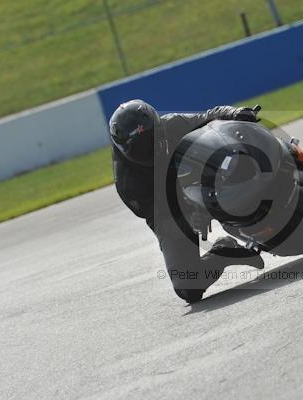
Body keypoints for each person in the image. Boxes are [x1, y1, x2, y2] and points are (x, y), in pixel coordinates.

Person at [108, 99, 265, 303]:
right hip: (169, 209)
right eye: (139, 147)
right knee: (188, 288)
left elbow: (210, 114)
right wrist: (190, 215)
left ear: (159, 127)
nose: (148, 149)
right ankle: (225, 251)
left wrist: (235, 113)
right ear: (123, 150)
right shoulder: (128, 184)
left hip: (200, 178)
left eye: (152, 139)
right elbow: (159, 218)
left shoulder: (172, 124)